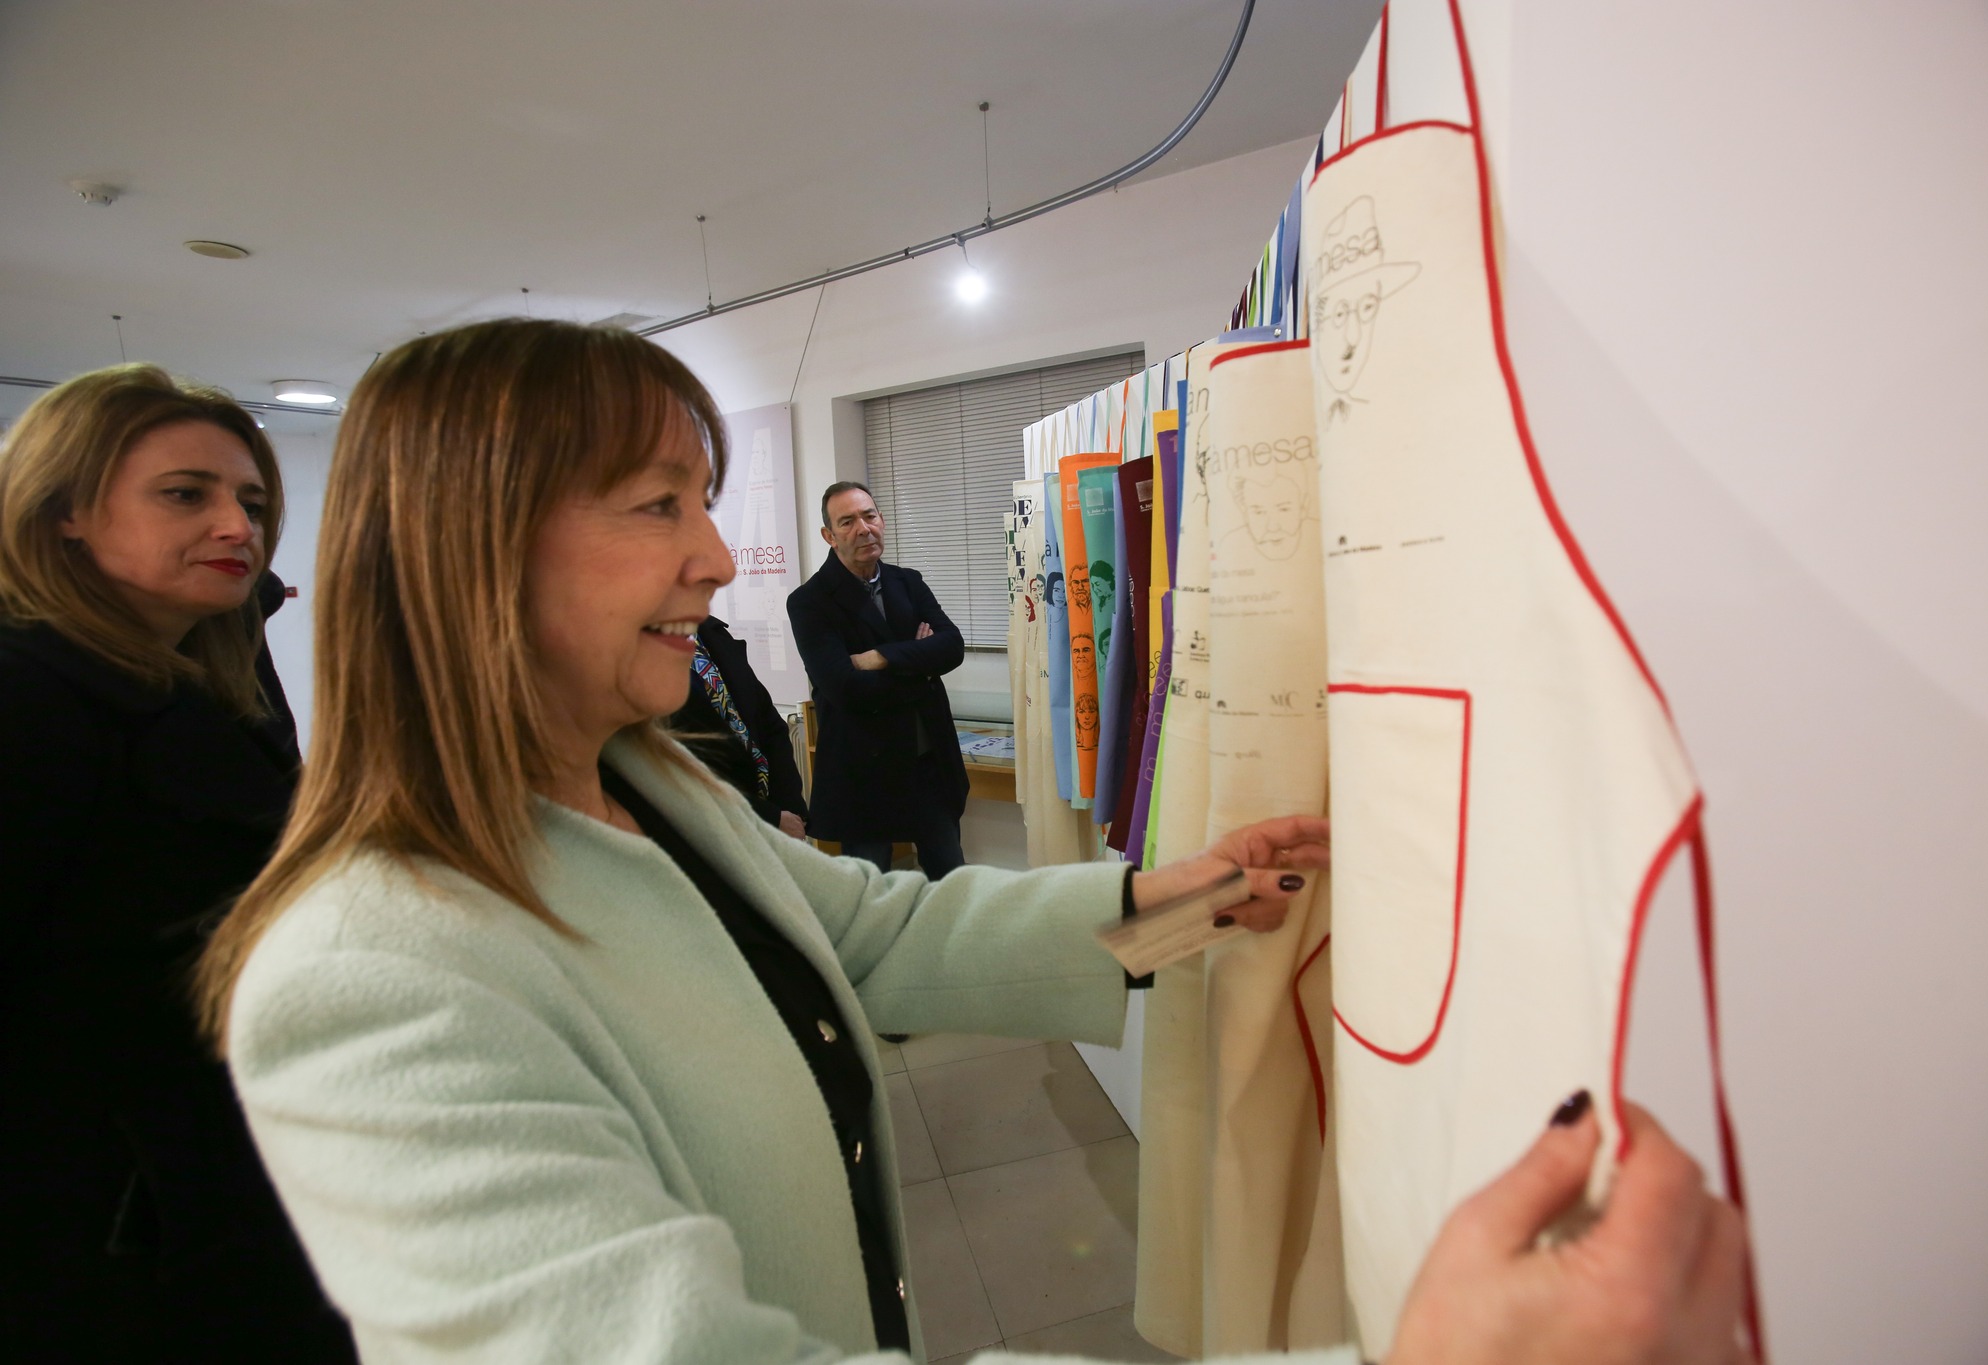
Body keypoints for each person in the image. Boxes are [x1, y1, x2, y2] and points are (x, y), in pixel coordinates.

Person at [195, 320, 1751, 1365]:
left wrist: (1184, 901)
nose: (715, 557)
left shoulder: (649, 790)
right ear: (473, 547)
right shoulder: (370, 978)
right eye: (658, 504)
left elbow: (877, 937)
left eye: (705, 501)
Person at [0, 365, 354, 1359]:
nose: (237, 527)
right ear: (64, 510)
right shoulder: (27, 697)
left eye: (252, 502)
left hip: (223, 1198)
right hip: (94, 1243)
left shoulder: (208, 692)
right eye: (184, 494)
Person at [785, 480, 968, 877]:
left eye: (869, 516)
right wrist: (920, 664)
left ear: (882, 520)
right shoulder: (809, 601)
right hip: (864, 774)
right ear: (829, 536)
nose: (864, 529)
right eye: (847, 522)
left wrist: (881, 657)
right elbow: (845, 688)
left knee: (952, 882)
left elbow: (952, 646)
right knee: (870, 893)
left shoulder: (908, 582)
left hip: (928, 765)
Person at [666, 612, 808, 838]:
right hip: (716, 829)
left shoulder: (711, 633)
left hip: (771, 814)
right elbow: (677, 772)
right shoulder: (641, 655)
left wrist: (789, 807)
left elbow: (769, 723)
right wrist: (768, 818)